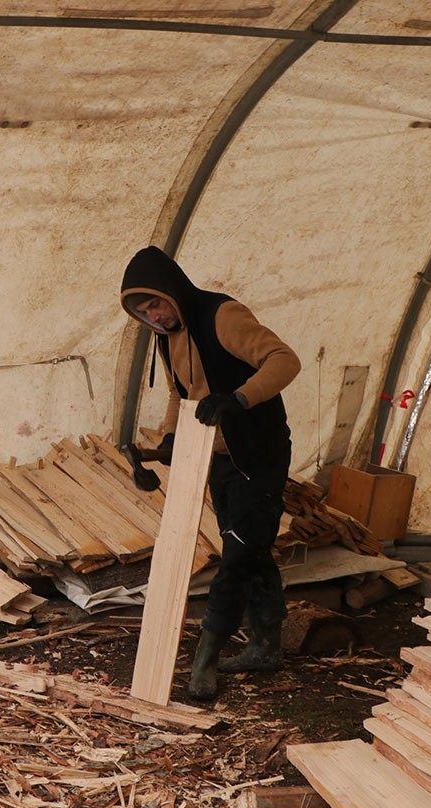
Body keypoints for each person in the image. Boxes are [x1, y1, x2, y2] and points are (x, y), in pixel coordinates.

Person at [120, 246, 300, 701]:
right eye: (144, 314)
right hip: (217, 456)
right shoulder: (167, 337)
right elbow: (182, 394)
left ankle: (207, 656)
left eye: (156, 304)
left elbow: (284, 360)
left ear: (172, 290)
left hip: (257, 452)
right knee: (251, 550)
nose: (155, 318)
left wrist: (238, 399)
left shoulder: (222, 315)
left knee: (237, 557)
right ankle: (266, 646)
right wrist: (167, 439)